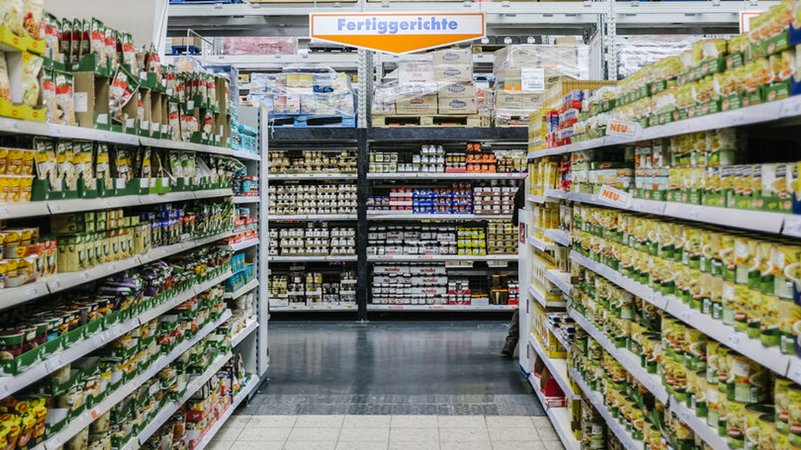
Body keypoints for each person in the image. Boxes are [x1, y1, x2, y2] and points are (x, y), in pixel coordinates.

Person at [501, 183, 525, 357]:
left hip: (530, 247)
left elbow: (516, 219)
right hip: (536, 249)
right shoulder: (531, 183)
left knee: (525, 298)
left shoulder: (527, 183)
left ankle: (512, 340)